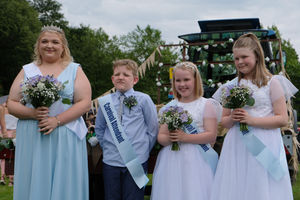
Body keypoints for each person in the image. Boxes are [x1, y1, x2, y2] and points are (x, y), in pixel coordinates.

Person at [7, 25, 91, 200]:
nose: (49, 45)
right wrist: (33, 114)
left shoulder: (75, 69)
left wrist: (57, 120)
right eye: (44, 41)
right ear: (38, 46)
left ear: (63, 47)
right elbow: (12, 103)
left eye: (55, 42)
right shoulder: (27, 70)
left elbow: (84, 103)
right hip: (33, 134)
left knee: (65, 179)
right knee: (33, 175)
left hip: (66, 133)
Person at [210, 33, 297, 200]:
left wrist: (251, 120)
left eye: (244, 57)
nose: (240, 62)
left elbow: (282, 119)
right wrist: (233, 118)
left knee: (261, 185)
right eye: (236, 58)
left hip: (265, 142)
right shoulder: (231, 86)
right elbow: (225, 122)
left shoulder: (272, 82)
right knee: (238, 185)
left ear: (257, 56)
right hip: (237, 145)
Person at [150, 61, 222, 200]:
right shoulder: (169, 107)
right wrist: (171, 137)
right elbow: (161, 137)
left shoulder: (206, 105)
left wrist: (184, 138)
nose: (182, 84)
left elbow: (211, 135)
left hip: (198, 160)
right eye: (178, 80)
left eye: (186, 79)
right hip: (171, 160)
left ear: (196, 80)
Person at [95, 59, 159, 200]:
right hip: (111, 160)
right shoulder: (105, 101)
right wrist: (107, 146)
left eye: (126, 74)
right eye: (117, 74)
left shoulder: (144, 99)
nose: (121, 77)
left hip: (137, 159)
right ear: (112, 79)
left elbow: (153, 128)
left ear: (135, 79)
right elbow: (99, 128)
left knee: (134, 197)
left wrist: (143, 149)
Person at [0, 101, 18, 186]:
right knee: (9, 157)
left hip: (7, 134)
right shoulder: (15, 111)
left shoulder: (3, 109)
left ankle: (4, 176)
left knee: (6, 157)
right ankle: (9, 178)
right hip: (9, 135)